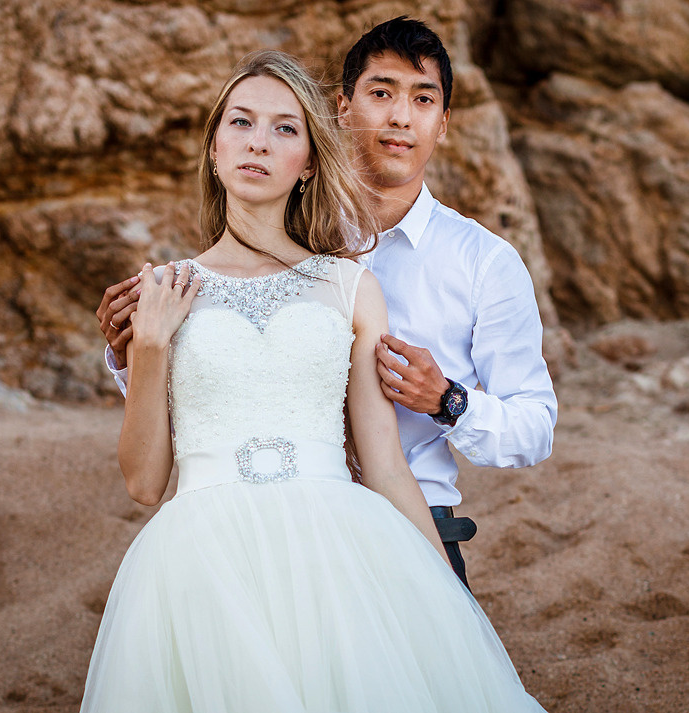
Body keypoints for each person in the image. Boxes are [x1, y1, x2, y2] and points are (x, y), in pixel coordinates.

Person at [79, 49, 544, 711]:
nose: (258, 142)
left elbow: (382, 463)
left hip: (337, 550)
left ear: (307, 163)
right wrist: (149, 345)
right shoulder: (165, 289)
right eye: (240, 122)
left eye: (284, 129)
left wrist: (451, 601)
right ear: (213, 149)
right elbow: (144, 482)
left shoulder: (350, 286)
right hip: (203, 559)